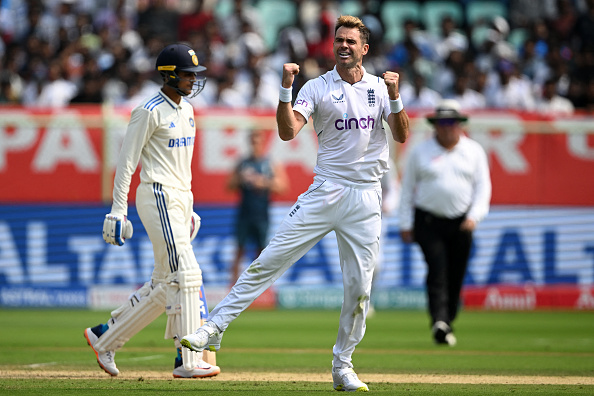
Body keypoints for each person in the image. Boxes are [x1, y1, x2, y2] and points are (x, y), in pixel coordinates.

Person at [182, 15, 410, 392]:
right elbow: (288, 132)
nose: (343, 46)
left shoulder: (380, 87)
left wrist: (396, 95)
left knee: (360, 289)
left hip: (367, 195)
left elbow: (401, 135)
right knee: (269, 259)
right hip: (326, 190)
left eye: (351, 41)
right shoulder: (317, 87)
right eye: (339, 40)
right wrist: (286, 88)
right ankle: (213, 327)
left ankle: (343, 365)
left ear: (364, 49)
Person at [84, 43, 220, 379]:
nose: (193, 80)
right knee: (187, 275)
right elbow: (126, 163)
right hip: (156, 196)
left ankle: (105, 336)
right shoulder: (148, 110)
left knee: (165, 283)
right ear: (169, 75)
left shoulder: (187, 111)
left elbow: (182, 166)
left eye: (195, 74)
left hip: (178, 200)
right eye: (188, 75)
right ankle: (188, 361)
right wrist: (118, 211)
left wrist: (188, 205)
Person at [397, 99, 491, 346]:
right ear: (435, 126)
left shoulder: (474, 151)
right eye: (442, 123)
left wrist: (474, 217)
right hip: (427, 221)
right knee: (437, 269)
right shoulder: (420, 151)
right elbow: (407, 190)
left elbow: (483, 189)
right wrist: (405, 223)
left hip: (461, 222)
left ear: (460, 125)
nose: (447, 127)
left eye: (452, 122)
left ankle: (446, 321)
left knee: (456, 274)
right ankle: (439, 319)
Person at [228, 129, 288, 284]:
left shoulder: (270, 163)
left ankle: (259, 285)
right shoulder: (243, 163)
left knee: (261, 252)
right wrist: (242, 179)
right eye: (253, 142)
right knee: (239, 250)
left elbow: (283, 186)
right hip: (244, 213)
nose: (255, 145)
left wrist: (264, 182)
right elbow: (229, 185)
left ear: (263, 143)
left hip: (262, 214)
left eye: (258, 142)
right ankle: (233, 285)